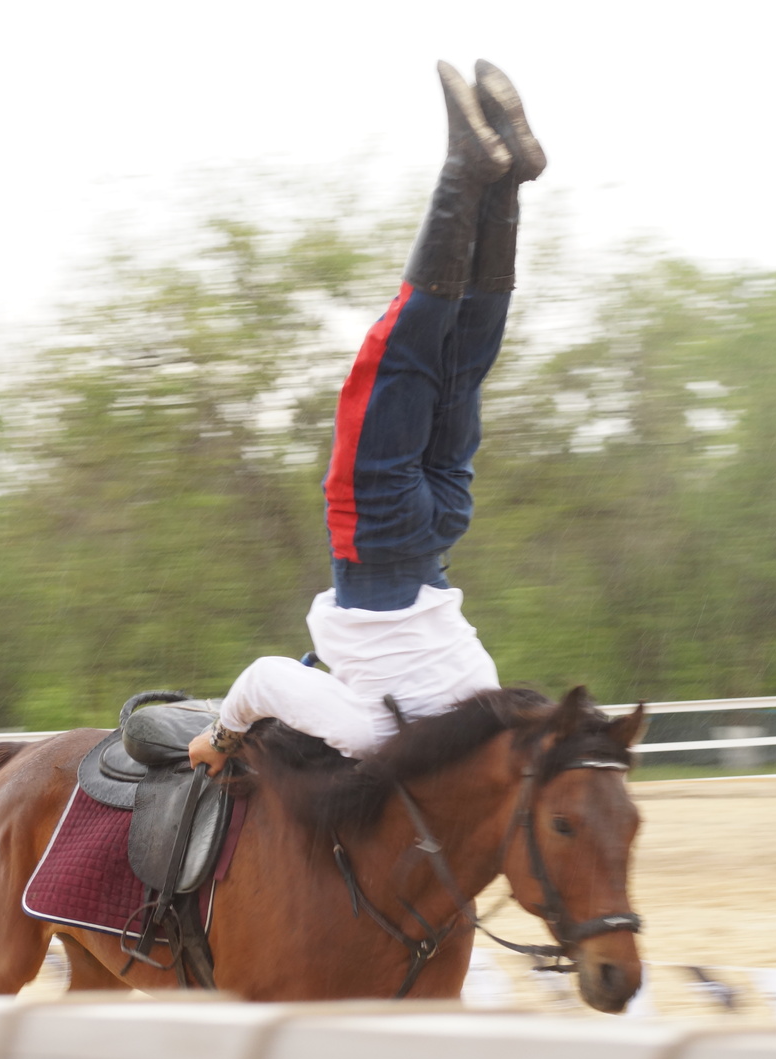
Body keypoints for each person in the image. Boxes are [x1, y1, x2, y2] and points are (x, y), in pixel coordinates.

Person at [187, 59, 546, 773]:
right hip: (377, 546)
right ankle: (466, 170)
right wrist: (219, 738)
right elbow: (262, 681)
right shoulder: (382, 744)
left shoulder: (482, 726)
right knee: (396, 359)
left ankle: (504, 186)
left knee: (461, 366)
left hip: (440, 532)